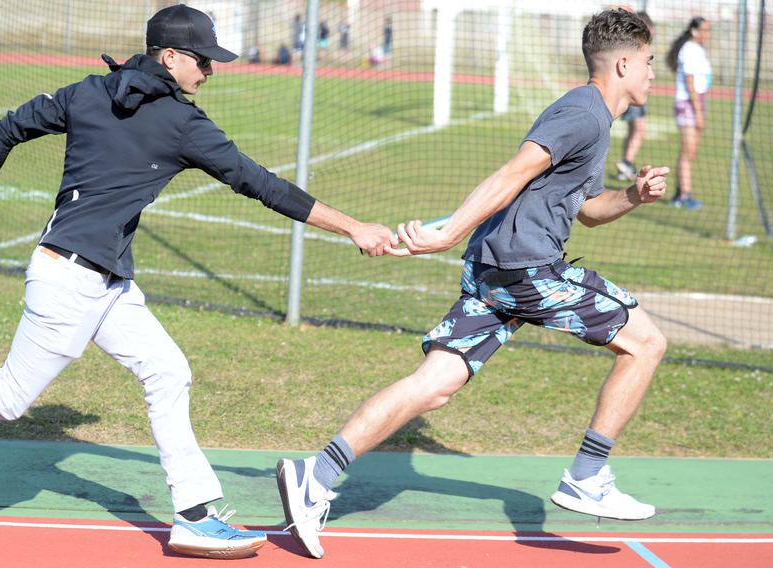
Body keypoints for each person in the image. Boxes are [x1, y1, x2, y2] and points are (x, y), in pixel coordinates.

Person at [0, 4, 394, 561]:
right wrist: (353, 226)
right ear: (169, 56)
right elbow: (262, 184)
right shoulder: (182, 124)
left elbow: (7, 128)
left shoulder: (91, 90)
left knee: (168, 371)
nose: (210, 72)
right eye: (204, 61)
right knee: (5, 399)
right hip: (69, 283)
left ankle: (193, 518)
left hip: (102, 281)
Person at [276, 9, 669, 559]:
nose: (654, 73)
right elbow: (511, 173)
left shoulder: (595, 117)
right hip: (527, 269)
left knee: (433, 385)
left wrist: (632, 197)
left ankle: (313, 477)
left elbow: (585, 209)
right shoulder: (582, 113)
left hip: (498, 271)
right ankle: (588, 474)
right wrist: (444, 234)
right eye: (650, 62)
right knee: (647, 341)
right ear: (624, 62)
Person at [666, 16, 712, 210]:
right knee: (688, 151)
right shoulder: (689, 50)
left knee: (691, 152)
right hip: (688, 103)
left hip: (697, 101)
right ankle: (683, 195)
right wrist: (698, 112)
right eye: (705, 30)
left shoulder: (698, 49)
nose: (708, 35)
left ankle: (680, 193)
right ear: (694, 31)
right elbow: (690, 82)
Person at [616, 11, 654, 181]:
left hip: (633, 91)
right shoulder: (637, 46)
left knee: (634, 129)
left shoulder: (637, 45)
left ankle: (626, 164)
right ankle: (626, 163)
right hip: (634, 91)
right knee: (639, 129)